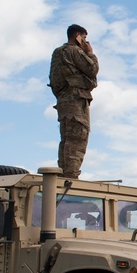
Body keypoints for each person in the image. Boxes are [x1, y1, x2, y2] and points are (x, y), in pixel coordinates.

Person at [49, 24, 99, 179]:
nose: (85, 41)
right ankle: (71, 177)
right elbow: (92, 69)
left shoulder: (58, 53)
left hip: (63, 100)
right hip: (76, 99)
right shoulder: (75, 51)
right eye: (84, 37)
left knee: (66, 139)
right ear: (77, 35)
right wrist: (90, 53)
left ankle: (64, 173)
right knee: (78, 137)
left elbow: (54, 79)